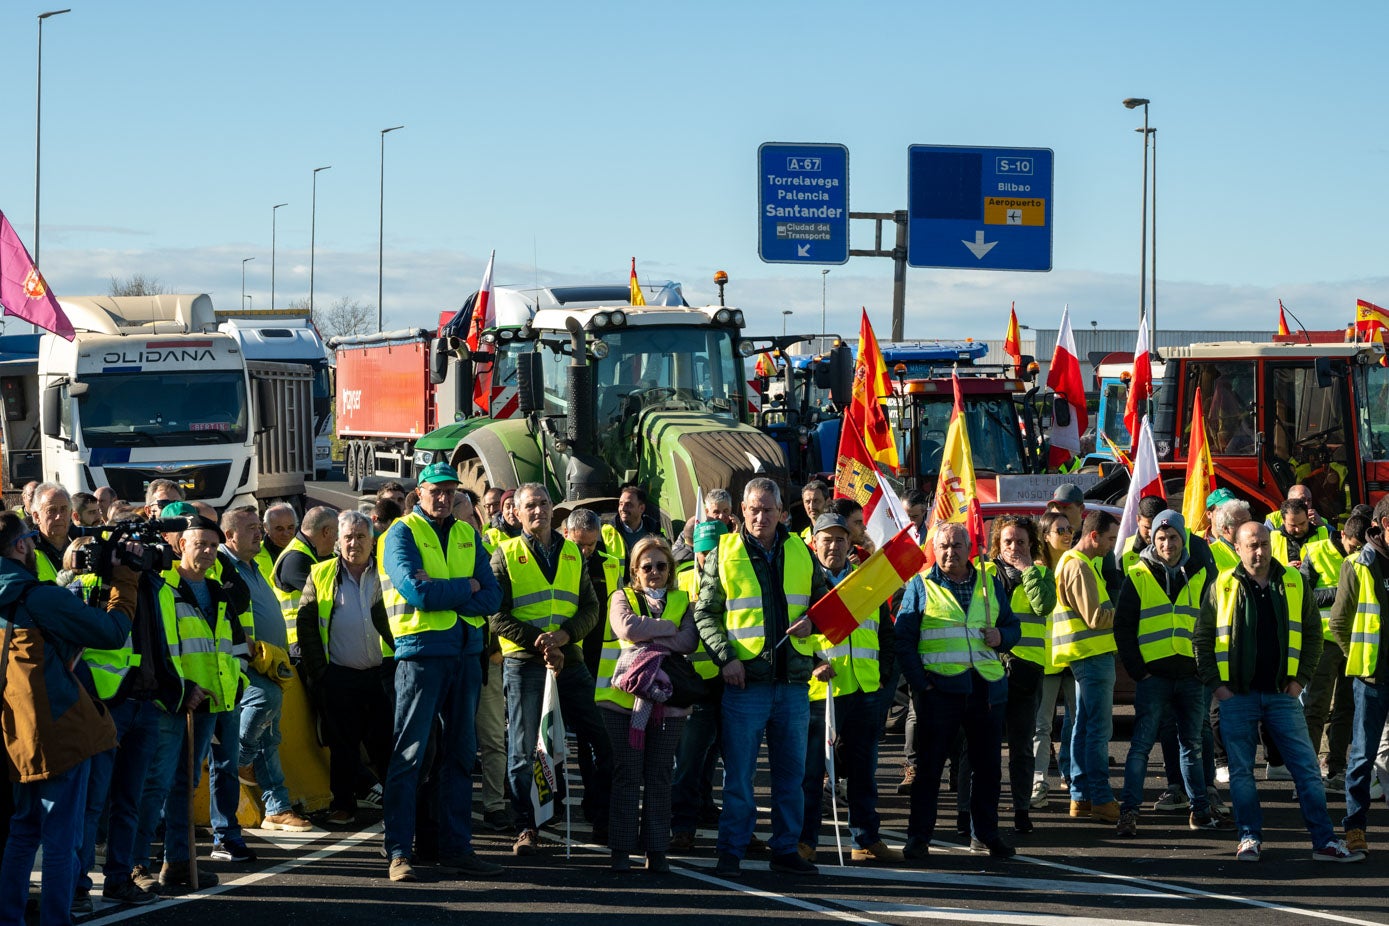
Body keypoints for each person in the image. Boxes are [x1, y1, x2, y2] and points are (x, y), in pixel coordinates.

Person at [1194, 521, 1363, 863]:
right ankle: (1249, 837)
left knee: (1306, 770)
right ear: (1237, 549)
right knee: (1241, 773)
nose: (1259, 551)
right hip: (1236, 697)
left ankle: (1324, 842)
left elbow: (1315, 635)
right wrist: (1218, 687)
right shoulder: (1221, 585)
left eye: (1264, 544)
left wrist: (1299, 680)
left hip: (1282, 696)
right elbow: (1202, 639)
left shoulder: (1294, 581)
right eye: (1251, 545)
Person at [0, 512, 138, 924]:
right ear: (21, 546)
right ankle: (57, 918)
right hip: (58, 731)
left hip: (15, 735)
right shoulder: (37, 596)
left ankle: (9, 918)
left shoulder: (20, 597)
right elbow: (111, 632)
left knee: (23, 832)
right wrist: (125, 582)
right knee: (61, 839)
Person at [694, 477, 828, 879]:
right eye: (753, 509)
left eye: (768, 509)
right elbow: (705, 612)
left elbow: (824, 605)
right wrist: (725, 658)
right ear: (741, 511)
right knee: (739, 777)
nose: (760, 516)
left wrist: (813, 623)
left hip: (792, 686)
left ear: (782, 513)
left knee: (793, 777)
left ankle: (785, 849)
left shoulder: (801, 553)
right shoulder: (725, 551)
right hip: (744, 685)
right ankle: (731, 850)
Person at [379, 461, 502, 882]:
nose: (445, 497)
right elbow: (418, 592)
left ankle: (455, 847)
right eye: (437, 490)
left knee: (460, 757)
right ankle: (399, 851)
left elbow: (493, 596)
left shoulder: (468, 531)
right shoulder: (401, 533)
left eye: (451, 490)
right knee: (410, 755)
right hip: (421, 654)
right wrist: (464, 588)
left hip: (466, 655)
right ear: (420, 492)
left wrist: (452, 592)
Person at [131, 509, 253, 891]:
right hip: (172, 704)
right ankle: (135, 865)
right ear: (181, 544)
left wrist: (235, 683)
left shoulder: (217, 591)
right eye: (201, 545)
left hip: (208, 704)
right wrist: (180, 688)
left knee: (185, 786)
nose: (208, 552)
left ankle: (179, 863)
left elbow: (234, 645)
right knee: (156, 783)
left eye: (215, 547)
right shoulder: (162, 588)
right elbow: (158, 648)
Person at [491, 483, 613, 856]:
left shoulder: (574, 554)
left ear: (553, 509)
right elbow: (496, 614)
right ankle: (526, 825)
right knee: (522, 750)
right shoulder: (505, 553)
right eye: (530, 505)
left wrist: (563, 637)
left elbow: (592, 609)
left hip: (569, 662)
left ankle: (602, 818)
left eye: (544, 503)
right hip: (525, 664)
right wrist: (539, 642)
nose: (538, 510)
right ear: (518, 510)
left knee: (604, 742)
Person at [895, 522, 1019, 860]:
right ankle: (919, 838)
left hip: (985, 689)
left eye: (957, 546)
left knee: (987, 769)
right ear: (934, 549)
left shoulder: (988, 583)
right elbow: (903, 641)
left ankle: (985, 835)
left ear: (970, 548)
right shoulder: (919, 586)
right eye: (944, 546)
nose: (950, 552)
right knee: (929, 769)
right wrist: (921, 685)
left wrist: (1002, 637)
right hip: (940, 690)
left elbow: (1012, 627)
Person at [1114, 511, 1231, 836]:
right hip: (1154, 678)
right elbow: (1123, 627)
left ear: (1183, 538)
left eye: (1173, 537)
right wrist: (1139, 670)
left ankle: (1199, 811)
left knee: (1191, 745)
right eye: (1161, 538)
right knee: (1140, 745)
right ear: (1153, 539)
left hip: (1192, 677)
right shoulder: (1138, 575)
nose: (1167, 544)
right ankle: (1129, 812)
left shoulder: (1202, 573)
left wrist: (1205, 669)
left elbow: (1214, 623)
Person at [800, 512, 900, 863]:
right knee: (812, 773)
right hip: (823, 692)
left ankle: (865, 839)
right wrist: (814, 665)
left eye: (840, 539)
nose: (834, 545)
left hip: (865, 689)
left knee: (863, 772)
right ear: (814, 543)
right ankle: (806, 841)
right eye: (826, 539)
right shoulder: (805, 583)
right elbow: (796, 635)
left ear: (849, 543)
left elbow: (886, 634)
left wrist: (884, 673)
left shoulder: (864, 583)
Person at [596, 536, 698, 872]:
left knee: (658, 776)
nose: (654, 572)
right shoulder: (621, 596)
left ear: (669, 569)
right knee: (627, 774)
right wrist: (667, 629)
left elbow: (689, 640)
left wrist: (647, 633)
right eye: (647, 566)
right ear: (635, 571)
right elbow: (624, 626)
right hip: (621, 702)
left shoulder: (683, 599)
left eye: (661, 566)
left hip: (669, 704)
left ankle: (657, 851)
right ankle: (622, 851)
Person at [220, 506, 313, 836]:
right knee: (265, 700)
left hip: (269, 659)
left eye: (259, 527)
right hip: (243, 663)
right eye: (250, 528)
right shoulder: (223, 566)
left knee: (270, 738)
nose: (259, 532)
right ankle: (241, 756)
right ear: (229, 536)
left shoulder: (253, 564)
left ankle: (277, 809)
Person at [299, 510, 393, 826]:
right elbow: (307, 625)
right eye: (348, 537)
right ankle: (343, 805)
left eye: (360, 536)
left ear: (372, 540)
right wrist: (320, 673)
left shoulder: (388, 573)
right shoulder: (321, 573)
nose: (354, 543)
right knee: (343, 748)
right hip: (339, 676)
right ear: (338, 541)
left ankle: (397, 805)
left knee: (386, 746)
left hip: (382, 675)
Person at [1329, 496, 1389, 856]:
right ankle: (1355, 826)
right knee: (1363, 756)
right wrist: (1361, 659)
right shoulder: (1359, 564)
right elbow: (1339, 621)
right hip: (1371, 679)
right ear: (1382, 525)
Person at [1052, 509, 1120, 824]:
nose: (1111, 545)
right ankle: (1101, 797)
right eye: (1108, 538)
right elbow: (1095, 617)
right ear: (1093, 536)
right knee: (1096, 730)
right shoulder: (1079, 566)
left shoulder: (1077, 563)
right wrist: (1127, 614)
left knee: (1083, 727)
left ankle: (1081, 797)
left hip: (1085, 655)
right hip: (1092, 655)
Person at [989, 514, 1054, 835]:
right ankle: (973, 811)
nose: (1014, 547)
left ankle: (1021, 810)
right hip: (989, 669)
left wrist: (1029, 570)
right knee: (982, 745)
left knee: (1021, 747)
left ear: (1032, 545)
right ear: (997, 545)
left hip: (1027, 671)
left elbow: (1044, 606)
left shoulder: (1041, 573)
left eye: (1021, 542)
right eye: (1008, 542)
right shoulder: (985, 574)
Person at [669, 518, 731, 851]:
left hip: (730, 682)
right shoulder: (681, 581)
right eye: (704, 552)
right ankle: (682, 827)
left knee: (726, 761)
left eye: (716, 551)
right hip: (696, 685)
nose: (710, 558)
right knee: (689, 762)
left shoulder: (737, 578)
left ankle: (728, 824)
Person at [1300, 512, 1353, 789]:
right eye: (1352, 545)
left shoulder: (1368, 555)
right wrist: (1340, 593)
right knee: (1315, 708)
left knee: (1345, 707)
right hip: (1324, 642)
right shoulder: (1317, 551)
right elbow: (1302, 592)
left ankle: (1336, 767)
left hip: (1355, 642)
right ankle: (1308, 773)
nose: (1355, 551)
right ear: (1342, 535)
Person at [1030, 511, 1074, 813]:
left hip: (1073, 653)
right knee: (1042, 726)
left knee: (1077, 722)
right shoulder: (1037, 569)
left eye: (1070, 528)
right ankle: (1039, 782)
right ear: (1046, 535)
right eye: (1060, 530)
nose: (1068, 533)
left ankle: (1074, 779)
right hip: (1046, 658)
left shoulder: (1077, 564)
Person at [272, 506, 338, 659]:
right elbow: (333, 594)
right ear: (326, 531)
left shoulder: (317, 552)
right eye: (336, 532)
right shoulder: (296, 559)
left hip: (312, 640)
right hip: (300, 646)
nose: (337, 538)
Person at [29, 482, 72, 582]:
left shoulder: (84, 542)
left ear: (71, 513)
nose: (59, 516)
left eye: (63, 509)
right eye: (51, 510)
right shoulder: (27, 549)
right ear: (36, 516)